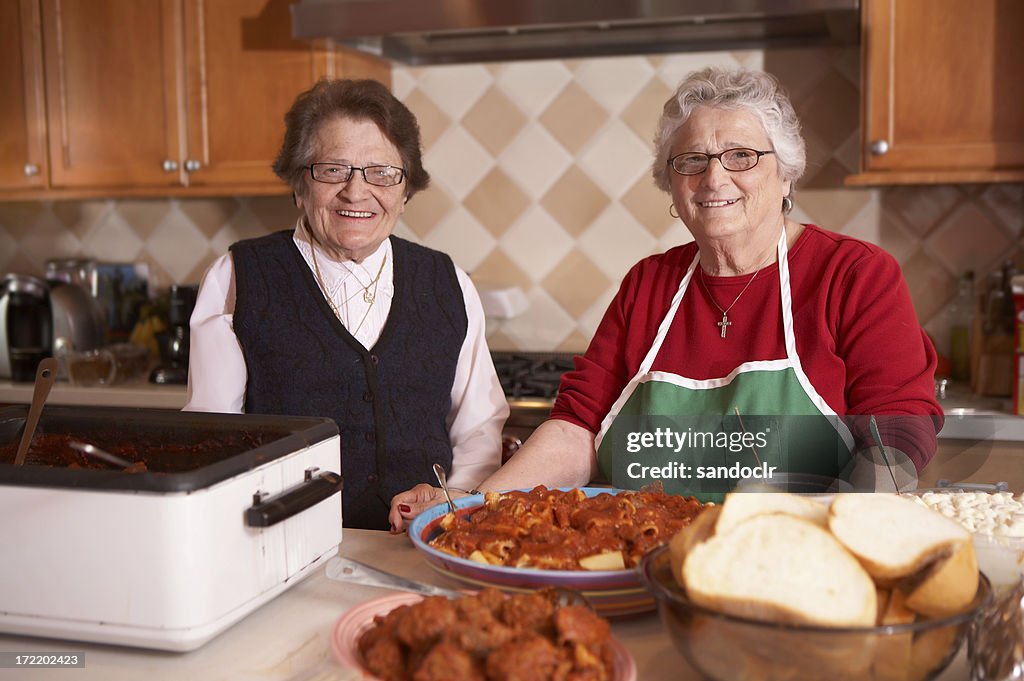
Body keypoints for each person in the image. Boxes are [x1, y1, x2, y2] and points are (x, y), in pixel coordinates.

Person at [390, 66, 942, 530]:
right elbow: (577, 428)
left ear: (786, 173)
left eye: (741, 156)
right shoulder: (649, 285)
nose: (714, 177)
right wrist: (474, 508)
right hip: (643, 559)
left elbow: (896, 430)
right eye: (691, 161)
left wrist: (852, 536)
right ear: (672, 187)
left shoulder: (852, 274)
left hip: (795, 562)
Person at [185, 79, 508, 530]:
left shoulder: (448, 282)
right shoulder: (236, 278)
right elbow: (212, 440)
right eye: (333, 170)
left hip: (422, 546)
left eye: (381, 172)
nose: (356, 192)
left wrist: (451, 501)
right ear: (300, 183)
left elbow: (478, 428)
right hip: (283, 547)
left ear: (405, 190)